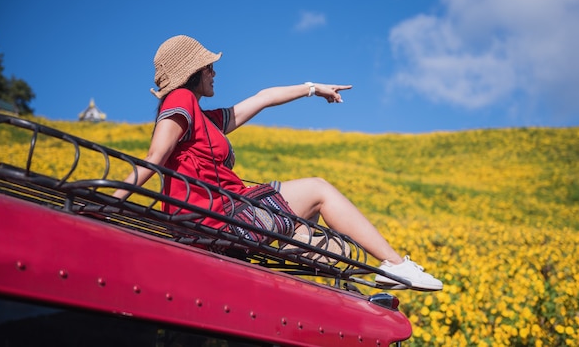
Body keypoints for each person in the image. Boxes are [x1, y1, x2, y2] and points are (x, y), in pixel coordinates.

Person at [115, 34, 442, 291]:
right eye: (208, 67)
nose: (214, 73)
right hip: (222, 221)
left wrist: (313, 89)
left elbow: (262, 99)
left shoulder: (207, 120)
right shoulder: (181, 99)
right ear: (193, 73)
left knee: (307, 221)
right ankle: (394, 266)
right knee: (319, 189)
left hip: (224, 218)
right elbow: (154, 158)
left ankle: (326, 262)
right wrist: (108, 203)